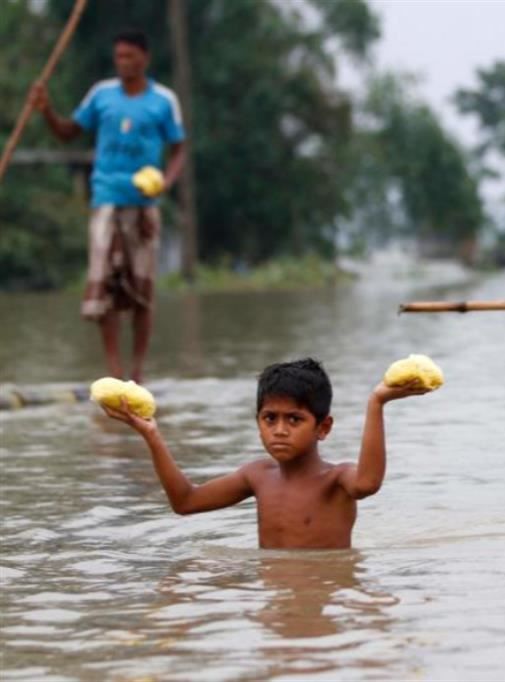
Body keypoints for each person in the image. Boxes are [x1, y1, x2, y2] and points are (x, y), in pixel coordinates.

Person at [99, 358, 428, 550]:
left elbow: (368, 482)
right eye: (270, 418)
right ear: (258, 422)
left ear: (323, 428)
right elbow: (185, 502)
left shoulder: (336, 480)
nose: (280, 430)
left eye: (295, 419)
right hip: (273, 594)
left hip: (323, 591)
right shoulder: (256, 476)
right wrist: (153, 437)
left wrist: (377, 402)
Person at [30, 28, 186, 383]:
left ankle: (138, 372)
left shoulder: (163, 100)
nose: (123, 63)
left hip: (144, 204)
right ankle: (114, 370)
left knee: (143, 290)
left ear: (144, 58)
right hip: (105, 201)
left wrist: (166, 181)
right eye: (118, 57)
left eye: (130, 57)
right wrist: (46, 109)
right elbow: (69, 131)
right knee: (104, 287)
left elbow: (179, 149)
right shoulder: (101, 95)